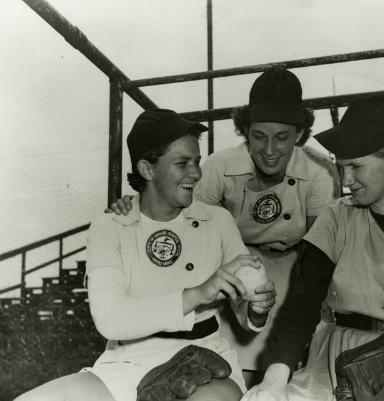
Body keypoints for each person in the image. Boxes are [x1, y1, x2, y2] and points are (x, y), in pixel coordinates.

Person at [15, 109, 276, 401]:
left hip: (202, 356)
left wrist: (255, 309)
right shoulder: (110, 226)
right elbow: (110, 319)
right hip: (126, 361)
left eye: (197, 161)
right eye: (182, 163)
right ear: (147, 169)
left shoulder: (217, 220)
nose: (196, 172)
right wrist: (197, 293)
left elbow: (244, 306)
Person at [111, 67, 341, 381]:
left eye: (282, 138)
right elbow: (186, 223)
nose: (270, 150)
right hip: (232, 266)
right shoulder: (220, 166)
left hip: (296, 270)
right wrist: (136, 207)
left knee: (288, 372)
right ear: (245, 130)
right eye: (259, 136)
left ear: (299, 134)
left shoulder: (319, 171)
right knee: (230, 374)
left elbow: (318, 256)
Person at [243, 96, 384, 401]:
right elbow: (302, 305)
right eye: (340, 168)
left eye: (355, 166)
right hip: (336, 355)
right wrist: (274, 379)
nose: (346, 181)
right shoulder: (335, 217)